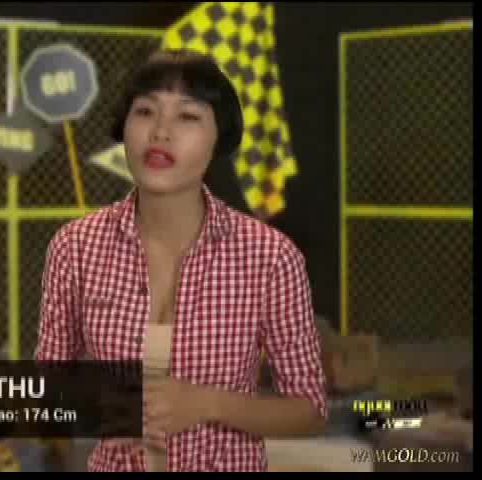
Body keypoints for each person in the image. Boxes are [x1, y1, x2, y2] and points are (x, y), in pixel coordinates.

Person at [35, 50, 328, 472]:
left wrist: (207, 403)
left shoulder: (270, 257)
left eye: (187, 116)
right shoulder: (74, 247)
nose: (160, 132)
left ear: (217, 139)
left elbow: (310, 411)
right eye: (145, 111)